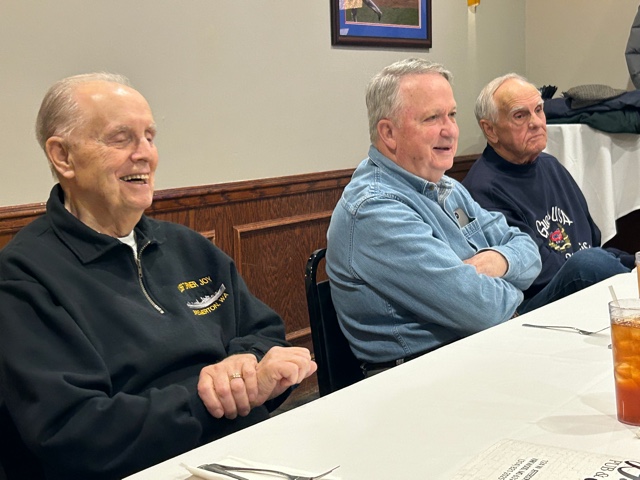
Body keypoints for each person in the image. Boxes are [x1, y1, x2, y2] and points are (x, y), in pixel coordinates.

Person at [0, 73, 316, 480]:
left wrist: (246, 367)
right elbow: (78, 432)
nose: (145, 155)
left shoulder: (188, 246)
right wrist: (210, 397)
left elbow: (264, 332)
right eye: (121, 139)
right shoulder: (24, 277)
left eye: (149, 137)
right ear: (63, 157)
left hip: (244, 452)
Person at [325, 58, 541, 376]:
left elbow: (529, 250)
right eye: (432, 118)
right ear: (388, 133)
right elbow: (484, 309)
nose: (450, 130)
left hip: (480, 352)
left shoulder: (446, 186)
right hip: (423, 374)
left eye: (452, 115)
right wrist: (515, 287)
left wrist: (497, 262)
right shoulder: (375, 210)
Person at [463, 73, 633, 314]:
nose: (536, 122)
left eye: (539, 110)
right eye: (520, 115)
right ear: (490, 130)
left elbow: (591, 242)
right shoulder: (482, 189)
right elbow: (536, 273)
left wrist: (632, 262)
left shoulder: (551, 165)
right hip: (532, 304)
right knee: (588, 264)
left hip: (581, 281)